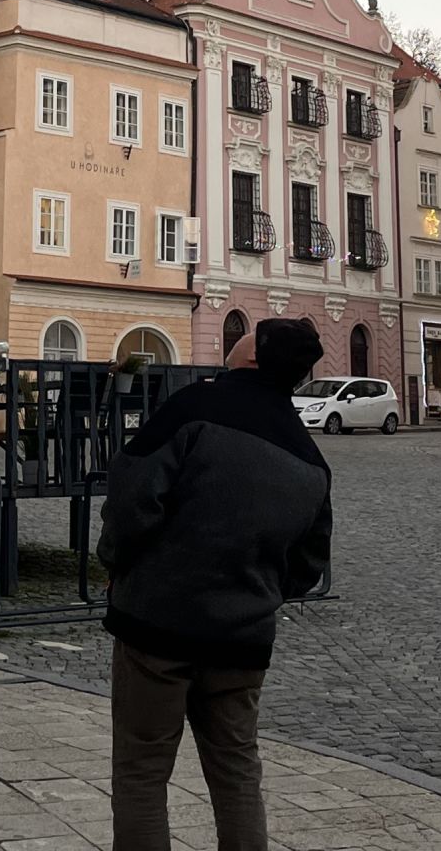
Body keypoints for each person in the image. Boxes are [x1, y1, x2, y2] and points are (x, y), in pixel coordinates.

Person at [98, 318, 331, 851]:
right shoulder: (309, 458)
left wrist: (116, 562)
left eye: (249, 334)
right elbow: (310, 564)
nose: (239, 337)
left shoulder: (192, 409)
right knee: (237, 773)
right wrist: (257, 589)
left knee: (141, 769)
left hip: (157, 622)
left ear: (253, 357)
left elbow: (133, 497)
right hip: (241, 640)